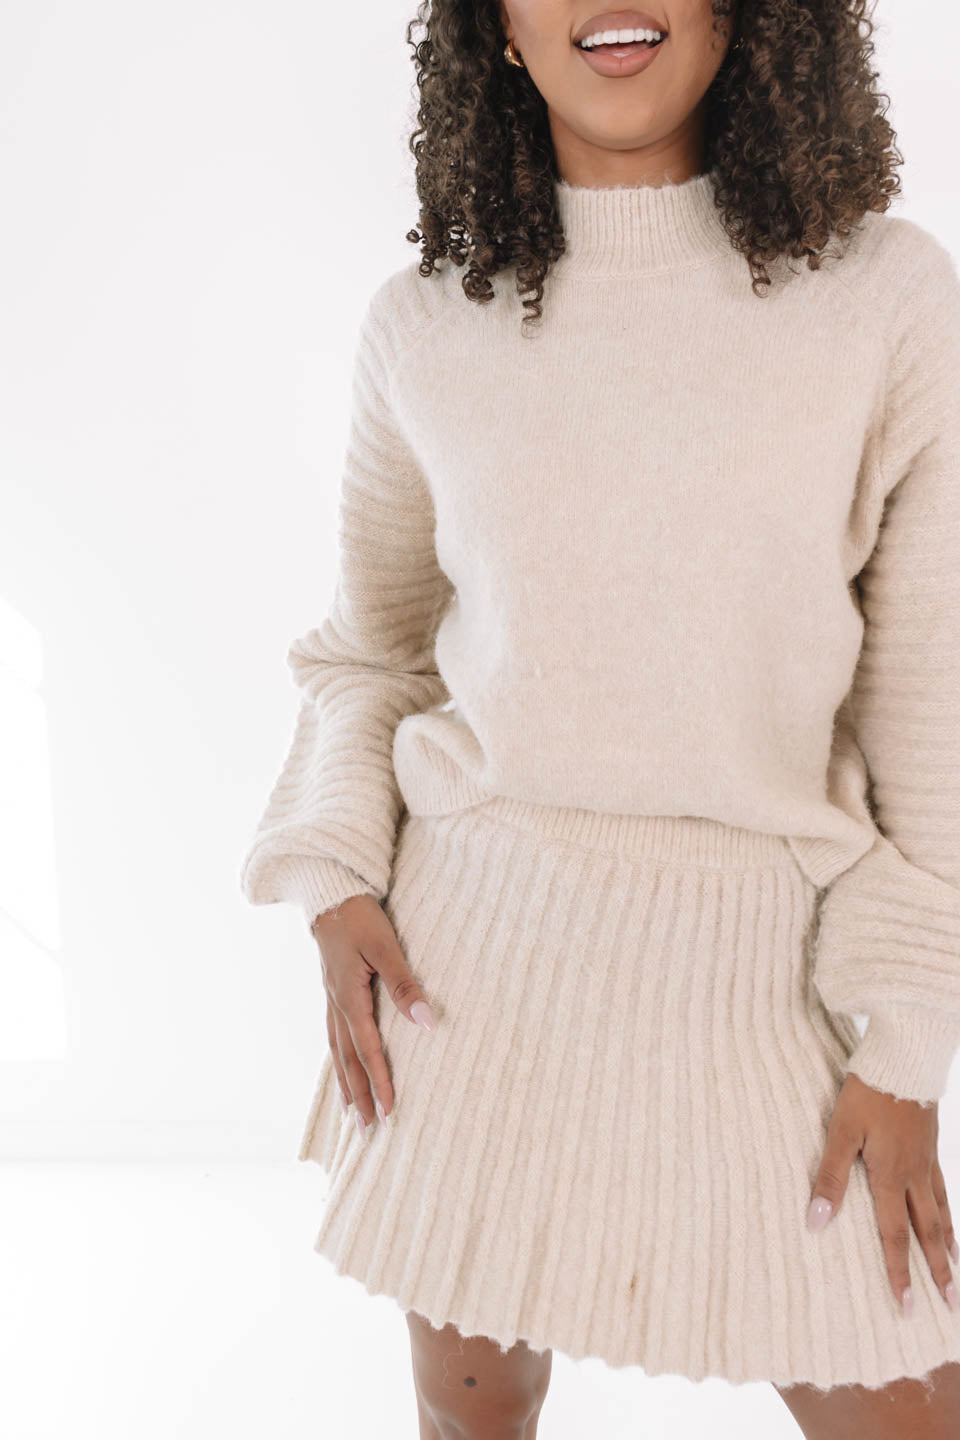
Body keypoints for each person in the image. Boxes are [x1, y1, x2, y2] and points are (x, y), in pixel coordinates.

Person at [239, 0, 960, 1433]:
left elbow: (931, 707)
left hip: (767, 986)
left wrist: (908, 1041)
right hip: (470, 986)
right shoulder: (425, 324)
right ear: (497, 29)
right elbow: (373, 652)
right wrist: (332, 874)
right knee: (473, 1417)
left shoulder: (883, 297)